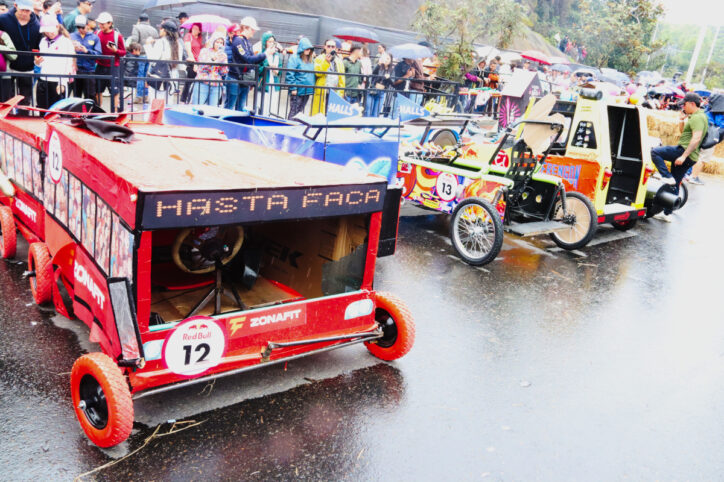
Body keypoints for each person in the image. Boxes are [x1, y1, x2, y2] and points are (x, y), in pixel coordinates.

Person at [650, 92, 708, 222]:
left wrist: (683, 156)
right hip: (690, 156)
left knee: (655, 152)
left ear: (692, 104)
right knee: (675, 183)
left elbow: (696, 138)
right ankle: (667, 213)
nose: (683, 107)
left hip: (684, 152)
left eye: (685, 104)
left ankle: (666, 176)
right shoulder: (696, 116)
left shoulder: (698, 118)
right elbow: (684, 133)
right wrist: (682, 120)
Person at [0, 0, 41, 105]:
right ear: (15, 6)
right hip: (8, 66)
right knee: (6, 100)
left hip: (28, 68)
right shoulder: (3, 19)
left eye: (28, 11)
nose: (24, 13)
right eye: (22, 10)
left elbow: (38, 45)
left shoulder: (36, 24)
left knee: (25, 100)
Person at [226, 17, 269, 111]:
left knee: (240, 107)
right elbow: (248, 58)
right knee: (229, 107)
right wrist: (265, 54)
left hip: (244, 79)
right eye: (252, 29)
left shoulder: (247, 42)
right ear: (245, 27)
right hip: (235, 78)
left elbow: (252, 60)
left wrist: (264, 55)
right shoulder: (238, 41)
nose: (253, 32)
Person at [35, 15, 73, 109]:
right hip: (43, 79)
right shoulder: (43, 41)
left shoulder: (66, 42)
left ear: (57, 27)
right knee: (42, 110)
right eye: (46, 31)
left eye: (51, 30)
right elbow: (42, 62)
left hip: (58, 81)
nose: (49, 33)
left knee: (57, 113)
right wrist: (37, 62)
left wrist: (63, 83)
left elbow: (68, 64)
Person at [144, 19, 182, 100]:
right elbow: (179, 62)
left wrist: (148, 44)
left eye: (161, 28)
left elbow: (153, 59)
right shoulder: (178, 44)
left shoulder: (161, 42)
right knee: (168, 104)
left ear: (165, 31)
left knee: (156, 103)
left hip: (159, 76)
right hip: (172, 77)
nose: (159, 30)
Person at [94, 12, 125, 109]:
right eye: (99, 23)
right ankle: (98, 111)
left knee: (115, 92)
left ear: (110, 23)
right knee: (98, 91)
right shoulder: (97, 33)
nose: (100, 25)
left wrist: (115, 51)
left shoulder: (117, 36)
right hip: (100, 66)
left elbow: (123, 52)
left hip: (113, 67)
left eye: (102, 24)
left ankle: (114, 113)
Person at [191, 32, 227, 106]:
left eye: (221, 43)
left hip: (216, 84)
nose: (219, 44)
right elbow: (202, 67)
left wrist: (224, 64)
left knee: (212, 109)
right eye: (217, 42)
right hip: (203, 82)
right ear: (213, 42)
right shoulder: (204, 51)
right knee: (197, 106)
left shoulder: (223, 55)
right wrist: (213, 59)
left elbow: (223, 72)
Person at [128, 13, 157, 103]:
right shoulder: (154, 30)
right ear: (148, 20)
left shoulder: (136, 27)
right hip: (151, 56)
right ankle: (146, 96)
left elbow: (134, 41)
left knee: (140, 75)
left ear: (139, 20)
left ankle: (139, 96)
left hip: (141, 55)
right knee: (147, 76)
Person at [311, 38, 345, 115]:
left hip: (334, 92)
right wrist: (326, 62)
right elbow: (317, 73)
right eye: (328, 46)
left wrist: (342, 92)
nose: (330, 48)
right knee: (320, 114)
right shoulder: (319, 58)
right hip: (322, 91)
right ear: (325, 47)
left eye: (332, 47)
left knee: (332, 114)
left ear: (335, 48)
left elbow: (341, 78)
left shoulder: (339, 61)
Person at [70, 14, 99, 101]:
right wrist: (72, 48)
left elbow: (99, 53)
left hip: (89, 71)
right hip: (76, 70)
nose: (80, 29)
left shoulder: (94, 37)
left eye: (82, 27)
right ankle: (76, 114)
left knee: (90, 96)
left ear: (87, 25)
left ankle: (90, 114)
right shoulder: (72, 36)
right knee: (76, 96)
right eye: (78, 27)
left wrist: (87, 51)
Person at [285, 36, 314, 119]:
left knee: (299, 111)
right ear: (302, 48)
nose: (308, 51)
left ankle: (294, 127)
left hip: (306, 90)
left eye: (309, 49)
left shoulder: (310, 60)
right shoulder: (294, 58)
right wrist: (293, 88)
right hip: (298, 91)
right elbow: (290, 73)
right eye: (306, 49)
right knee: (294, 111)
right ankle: (289, 127)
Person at [257, 30, 281, 116]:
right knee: (263, 107)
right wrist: (268, 65)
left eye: (273, 41)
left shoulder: (277, 55)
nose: (271, 43)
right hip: (263, 84)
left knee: (273, 107)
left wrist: (277, 71)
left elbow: (280, 69)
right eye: (269, 41)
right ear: (265, 42)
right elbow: (258, 70)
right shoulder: (261, 54)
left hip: (274, 85)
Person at [180, 22, 202, 103]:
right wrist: (194, 63)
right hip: (192, 62)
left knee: (193, 82)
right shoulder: (189, 36)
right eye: (193, 28)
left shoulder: (199, 38)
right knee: (189, 81)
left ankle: (189, 99)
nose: (194, 30)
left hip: (198, 61)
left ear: (199, 31)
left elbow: (198, 49)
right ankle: (184, 100)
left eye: (196, 29)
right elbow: (188, 50)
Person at [367, 53, 392, 117]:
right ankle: (366, 126)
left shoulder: (391, 70)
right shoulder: (378, 66)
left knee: (376, 113)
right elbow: (373, 73)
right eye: (385, 58)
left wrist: (389, 78)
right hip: (373, 90)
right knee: (368, 111)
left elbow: (392, 83)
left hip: (381, 92)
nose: (386, 60)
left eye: (388, 58)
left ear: (390, 60)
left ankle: (373, 127)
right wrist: (379, 64)